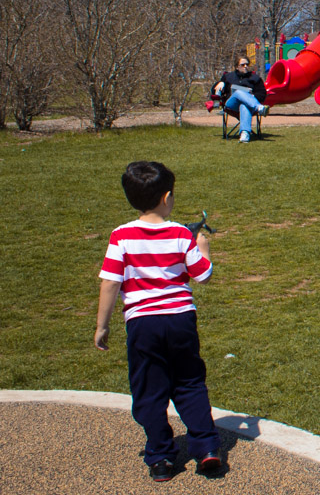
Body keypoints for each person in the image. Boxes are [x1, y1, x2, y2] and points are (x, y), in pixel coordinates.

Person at [95, 161, 222, 482]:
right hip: (180, 321)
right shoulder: (181, 233)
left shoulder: (121, 236)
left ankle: (161, 455)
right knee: (189, 382)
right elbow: (203, 275)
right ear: (167, 198)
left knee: (149, 388)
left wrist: (102, 325)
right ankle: (206, 446)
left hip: (143, 324)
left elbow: (110, 282)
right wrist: (204, 248)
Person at [208, 56, 268, 142]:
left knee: (244, 105)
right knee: (239, 92)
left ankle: (245, 134)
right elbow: (214, 92)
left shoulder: (255, 78)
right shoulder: (228, 77)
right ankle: (259, 108)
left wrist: (252, 97)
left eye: (247, 64)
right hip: (232, 105)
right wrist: (220, 83)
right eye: (242, 65)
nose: (245, 66)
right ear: (237, 66)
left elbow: (262, 94)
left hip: (249, 105)